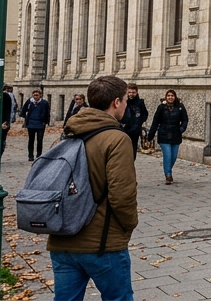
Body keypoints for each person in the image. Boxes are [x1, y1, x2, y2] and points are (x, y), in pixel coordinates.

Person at [47, 75, 138, 301]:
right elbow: (122, 194)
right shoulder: (117, 139)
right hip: (102, 243)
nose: (126, 104)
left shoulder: (67, 134)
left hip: (62, 240)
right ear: (116, 102)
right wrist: (129, 226)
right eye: (125, 100)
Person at [146, 90, 188, 184]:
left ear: (175, 97)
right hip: (164, 134)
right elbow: (155, 121)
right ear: (166, 97)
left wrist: (181, 129)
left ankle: (168, 170)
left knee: (173, 157)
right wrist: (150, 135)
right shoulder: (161, 107)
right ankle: (168, 175)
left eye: (172, 95)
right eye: (168, 96)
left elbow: (185, 120)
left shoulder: (180, 107)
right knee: (168, 155)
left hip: (176, 134)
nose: (170, 97)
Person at [22, 89, 51, 161]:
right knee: (31, 140)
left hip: (40, 123)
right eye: (34, 95)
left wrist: (46, 121)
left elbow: (47, 112)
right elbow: (23, 110)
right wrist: (25, 118)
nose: (35, 97)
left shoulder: (44, 103)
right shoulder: (29, 102)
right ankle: (30, 155)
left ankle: (39, 155)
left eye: (37, 95)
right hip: (31, 123)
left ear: (40, 95)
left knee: (40, 140)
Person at [122, 84, 149, 159]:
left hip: (135, 130)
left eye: (133, 92)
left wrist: (139, 122)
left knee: (133, 151)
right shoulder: (123, 101)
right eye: (129, 92)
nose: (131, 94)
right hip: (124, 129)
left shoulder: (140, 103)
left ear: (136, 92)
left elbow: (145, 114)